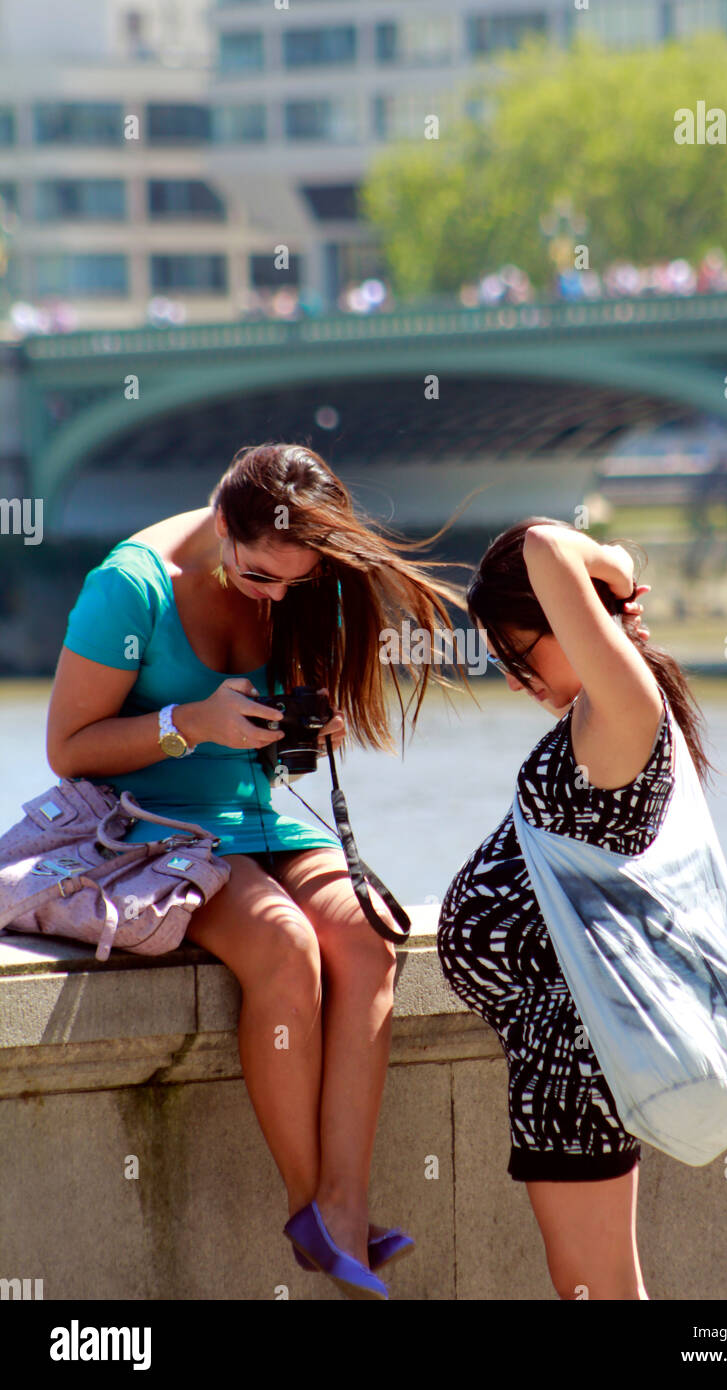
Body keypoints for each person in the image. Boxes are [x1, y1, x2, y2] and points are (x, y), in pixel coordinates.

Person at [46, 442, 465, 1301]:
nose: (274, 595)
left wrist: (306, 731)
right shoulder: (132, 588)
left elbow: (279, 740)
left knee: (368, 944)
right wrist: (189, 721)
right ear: (223, 524)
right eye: (257, 577)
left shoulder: (301, 579)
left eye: (292, 583)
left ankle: (344, 1201)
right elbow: (68, 749)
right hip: (156, 832)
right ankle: (310, 1204)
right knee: (284, 950)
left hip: (260, 819)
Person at [437, 517, 714, 1301]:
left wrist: (616, 571)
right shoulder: (603, 716)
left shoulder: (621, 710)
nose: (520, 683)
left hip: (577, 1059)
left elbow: (544, 547)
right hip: (558, 1060)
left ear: (569, 622)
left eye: (523, 656)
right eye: (503, 669)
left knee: (599, 1292)